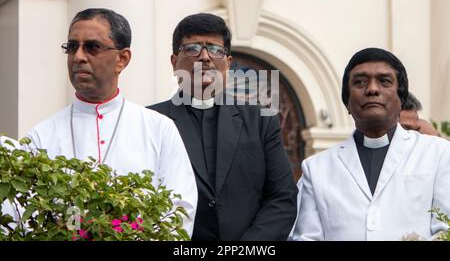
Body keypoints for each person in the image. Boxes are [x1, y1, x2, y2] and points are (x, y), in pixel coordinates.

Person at [25, 8, 197, 236]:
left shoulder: (159, 129)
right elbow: (24, 214)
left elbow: (179, 210)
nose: (78, 57)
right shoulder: (41, 136)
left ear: (122, 59)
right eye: (72, 47)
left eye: (92, 47)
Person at [148, 13, 298, 241]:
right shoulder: (150, 121)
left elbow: (282, 197)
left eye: (215, 50)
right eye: (192, 48)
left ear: (228, 63)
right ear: (174, 61)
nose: (205, 57)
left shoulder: (260, 120)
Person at [296, 47, 450, 241]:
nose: (372, 89)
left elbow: (446, 230)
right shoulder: (316, 168)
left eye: (384, 81)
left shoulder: (439, 154)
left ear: (401, 99)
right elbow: (306, 238)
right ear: (347, 102)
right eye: (360, 82)